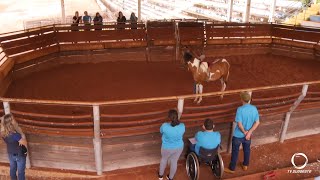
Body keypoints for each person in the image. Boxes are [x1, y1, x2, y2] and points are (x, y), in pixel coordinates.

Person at [225, 91, 260, 173]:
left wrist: (244, 132)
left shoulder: (240, 109)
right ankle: (245, 165)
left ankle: (232, 168)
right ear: (249, 100)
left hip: (238, 135)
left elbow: (239, 124)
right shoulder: (254, 108)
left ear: (242, 100)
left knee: (235, 152)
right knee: (247, 150)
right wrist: (249, 133)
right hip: (248, 136)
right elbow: (257, 122)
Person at [158, 109, 185, 180]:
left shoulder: (164, 126)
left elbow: (161, 131)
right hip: (179, 147)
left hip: (166, 147)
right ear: (177, 117)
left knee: (164, 159)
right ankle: (170, 178)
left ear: (169, 117)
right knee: (174, 161)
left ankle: (160, 176)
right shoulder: (182, 126)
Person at [1, 114, 28, 180]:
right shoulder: (15, 135)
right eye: (13, 119)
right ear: (11, 122)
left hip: (10, 153)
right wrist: (22, 135)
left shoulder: (3, 133)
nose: (15, 120)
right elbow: (24, 142)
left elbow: (7, 141)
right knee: (21, 172)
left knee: (12, 169)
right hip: (19, 154)